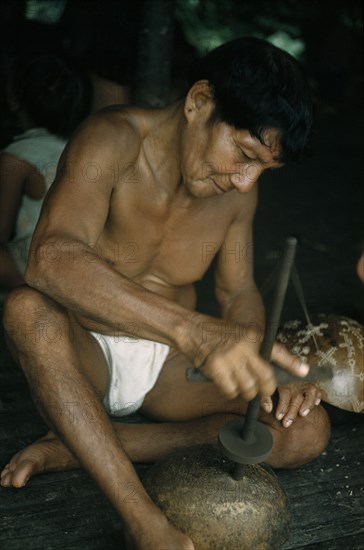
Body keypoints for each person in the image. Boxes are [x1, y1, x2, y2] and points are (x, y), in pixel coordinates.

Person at [1, 38, 330, 550]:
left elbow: (238, 290)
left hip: (169, 373)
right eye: (244, 155)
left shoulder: (237, 192)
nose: (246, 183)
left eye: (264, 169)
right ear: (199, 102)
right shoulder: (110, 139)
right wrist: (193, 330)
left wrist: (263, 365)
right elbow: (51, 259)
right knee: (25, 311)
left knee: (304, 430)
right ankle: (141, 517)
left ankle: (82, 444)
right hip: (88, 349)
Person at [0, 50, 91, 289]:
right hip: (82, 269)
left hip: (34, 269)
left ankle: (29, 297)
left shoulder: (17, 157)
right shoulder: (85, 148)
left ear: (14, 98)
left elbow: (1, 230)